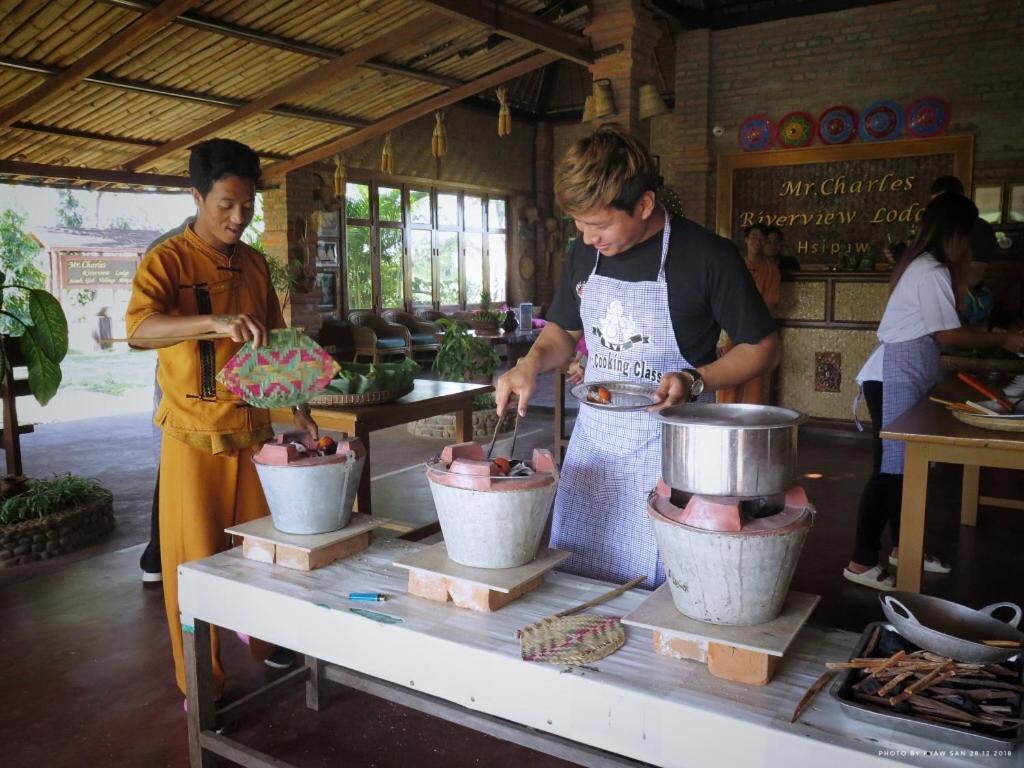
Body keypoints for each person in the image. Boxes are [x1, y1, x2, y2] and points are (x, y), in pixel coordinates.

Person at [494, 125, 780, 587]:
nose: (588, 239)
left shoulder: (707, 257)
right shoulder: (582, 254)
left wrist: (696, 379)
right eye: (579, 225)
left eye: (600, 225)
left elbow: (764, 347)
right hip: (596, 445)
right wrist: (529, 363)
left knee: (668, 581)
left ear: (644, 205)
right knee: (579, 571)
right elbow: (564, 333)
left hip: (674, 447)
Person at [125, 138, 318, 697]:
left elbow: (275, 344)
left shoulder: (255, 264)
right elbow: (138, 329)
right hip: (192, 437)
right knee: (194, 562)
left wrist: (300, 408)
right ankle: (199, 676)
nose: (238, 218)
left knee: (266, 551)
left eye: (247, 207)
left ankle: (271, 641)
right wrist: (211, 323)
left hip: (254, 431)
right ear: (196, 197)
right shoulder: (167, 260)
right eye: (225, 206)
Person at [844, 193, 1024, 590]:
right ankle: (860, 560)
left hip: (900, 373)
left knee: (904, 468)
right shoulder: (929, 270)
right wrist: (1005, 340)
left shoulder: (928, 268)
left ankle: (903, 549)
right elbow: (948, 334)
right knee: (891, 471)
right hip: (891, 376)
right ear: (956, 235)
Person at [717, 223, 781, 405]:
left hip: (757, 333)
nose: (757, 242)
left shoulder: (771, 270)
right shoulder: (735, 265)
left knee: (755, 385)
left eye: (762, 239)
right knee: (728, 382)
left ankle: (752, 428)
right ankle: (725, 424)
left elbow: (770, 303)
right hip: (733, 332)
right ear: (746, 240)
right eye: (753, 237)